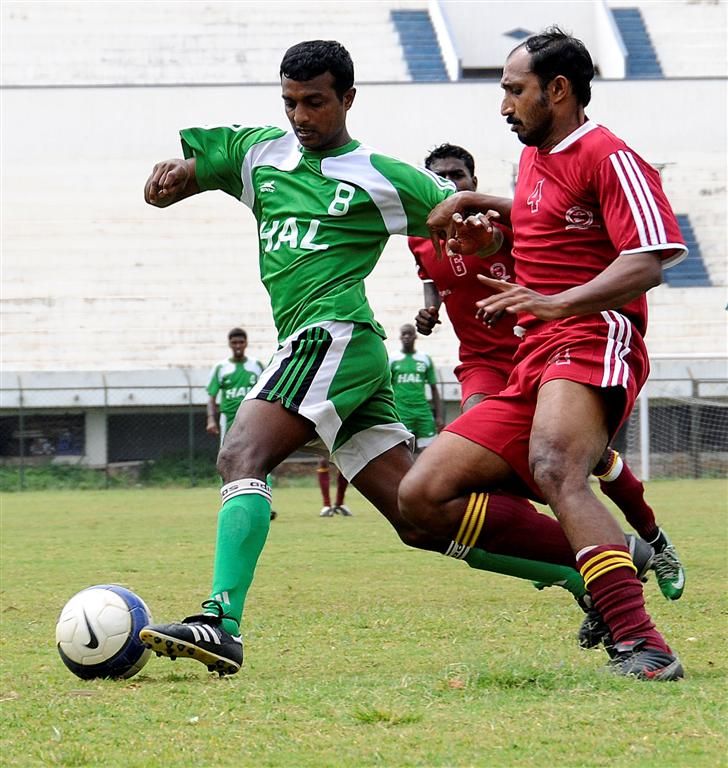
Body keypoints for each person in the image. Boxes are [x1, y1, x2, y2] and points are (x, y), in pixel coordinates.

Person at [140, 39, 650, 678]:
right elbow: (190, 174)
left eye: (316, 103)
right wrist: (169, 181)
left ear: (348, 99)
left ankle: (220, 621)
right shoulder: (258, 153)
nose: (301, 116)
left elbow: (468, 219)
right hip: (329, 351)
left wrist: (480, 232)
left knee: (241, 455)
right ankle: (597, 569)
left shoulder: (379, 175)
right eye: (291, 102)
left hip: (334, 337)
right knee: (419, 518)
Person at [402, 28, 688, 680]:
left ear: (558, 90)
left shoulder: (610, 155)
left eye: (514, 90)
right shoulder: (534, 160)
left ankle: (644, 647)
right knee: (421, 499)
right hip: (534, 356)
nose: (504, 105)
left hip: (594, 336)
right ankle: (612, 556)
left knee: (557, 465)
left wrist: (560, 302)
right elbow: (542, 224)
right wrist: (481, 219)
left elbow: (651, 258)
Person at [411, 143, 686, 613]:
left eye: (457, 176)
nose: (450, 186)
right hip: (483, 363)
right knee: (477, 471)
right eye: (439, 179)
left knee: (571, 462)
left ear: (474, 181)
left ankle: (649, 541)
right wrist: (431, 307)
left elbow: (553, 255)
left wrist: (527, 296)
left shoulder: (520, 211)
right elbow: (434, 276)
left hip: (544, 348)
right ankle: (587, 564)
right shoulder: (424, 236)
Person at [207, 327, 278, 520]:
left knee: (262, 459)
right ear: (230, 344)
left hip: (253, 421)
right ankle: (230, 502)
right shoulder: (221, 368)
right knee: (228, 461)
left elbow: (267, 388)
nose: (238, 346)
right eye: (234, 343)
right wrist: (211, 419)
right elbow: (212, 396)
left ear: (246, 343)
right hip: (229, 422)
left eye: (241, 342)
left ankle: (264, 504)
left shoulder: (256, 365)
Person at [389, 323, 444, 453]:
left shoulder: (424, 359)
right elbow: (385, 389)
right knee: (404, 452)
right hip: (401, 412)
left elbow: (434, 388)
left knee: (429, 452)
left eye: (410, 334)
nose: (407, 337)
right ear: (400, 337)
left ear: (415, 336)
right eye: (404, 334)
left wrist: (439, 415)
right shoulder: (392, 359)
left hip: (423, 412)